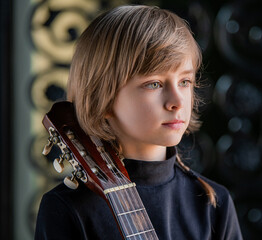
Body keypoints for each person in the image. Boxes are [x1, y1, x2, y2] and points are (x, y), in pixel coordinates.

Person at [35, 5, 243, 240]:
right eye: (154, 84)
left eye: (185, 81)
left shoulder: (213, 202)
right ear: (101, 98)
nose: (177, 101)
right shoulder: (67, 209)